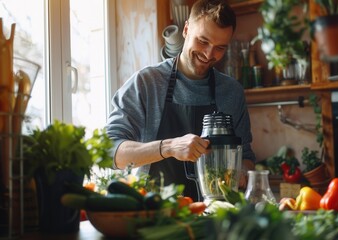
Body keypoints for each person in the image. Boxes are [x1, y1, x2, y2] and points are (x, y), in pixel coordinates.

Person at [106, 0, 255, 201]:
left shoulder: (232, 92)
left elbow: (245, 156)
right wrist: (168, 147)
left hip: (214, 218)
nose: (209, 54)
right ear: (186, 30)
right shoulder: (146, 84)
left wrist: (243, 173)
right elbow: (111, 150)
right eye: (202, 41)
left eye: (220, 47)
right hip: (154, 215)